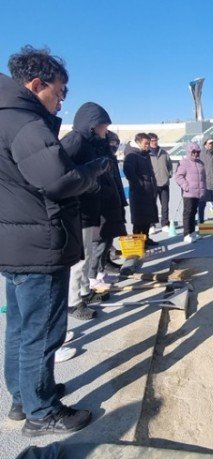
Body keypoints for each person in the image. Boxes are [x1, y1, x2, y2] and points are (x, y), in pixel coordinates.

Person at [0, 46, 109, 435]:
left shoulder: (7, 117)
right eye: (59, 91)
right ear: (36, 84)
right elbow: (58, 181)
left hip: (14, 240)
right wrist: (93, 171)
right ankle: (41, 411)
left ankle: (23, 396)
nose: (62, 99)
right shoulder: (25, 122)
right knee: (41, 332)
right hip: (38, 242)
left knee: (20, 328)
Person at [61, 102, 113, 318]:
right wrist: (90, 183)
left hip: (90, 207)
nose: (106, 131)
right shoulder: (74, 141)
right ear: (93, 125)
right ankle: (73, 302)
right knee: (79, 258)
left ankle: (84, 292)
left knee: (88, 253)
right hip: (78, 208)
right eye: (104, 126)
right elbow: (63, 172)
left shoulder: (91, 144)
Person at [89, 130, 128, 281]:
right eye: (112, 142)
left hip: (114, 202)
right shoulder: (98, 157)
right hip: (101, 206)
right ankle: (94, 276)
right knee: (98, 243)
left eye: (117, 142)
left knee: (108, 240)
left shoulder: (111, 158)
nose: (115, 145)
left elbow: (116, 182)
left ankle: (103, 268)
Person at [123, 132, 159, 246]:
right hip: (139, 192)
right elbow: (128, 171)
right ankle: (137, 242)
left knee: (148, 217)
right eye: (146, 143)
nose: (148, 145)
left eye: (149, 143)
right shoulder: (132, 154)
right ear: (138, 142)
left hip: (148, 190)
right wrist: (140, 184)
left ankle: (146, 238)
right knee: (139, 219)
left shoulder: (145, 154)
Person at [175, 141, 207, 243]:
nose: (196, 154)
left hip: (198, 193)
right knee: (188, 213)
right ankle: (186, 234)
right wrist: (186, 186)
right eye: (193, 152)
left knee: (194, 212)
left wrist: (203, 188)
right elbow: (178, 176)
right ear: (189, 152)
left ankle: (192, 232)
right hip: (189, 193)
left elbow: (203, 178)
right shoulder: (184, 162)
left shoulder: (200, 163)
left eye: (197, 152)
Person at [148, 132, 173, 233]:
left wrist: (169, 174)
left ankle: (165, 224)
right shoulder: (146, 154)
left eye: (156, 140)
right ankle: (151, 225)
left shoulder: (164, 153)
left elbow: (170, 165)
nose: (154, 142)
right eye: (152, 141)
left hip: (164, 183)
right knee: (152, 206)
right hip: (152, 185)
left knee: (165, 205)